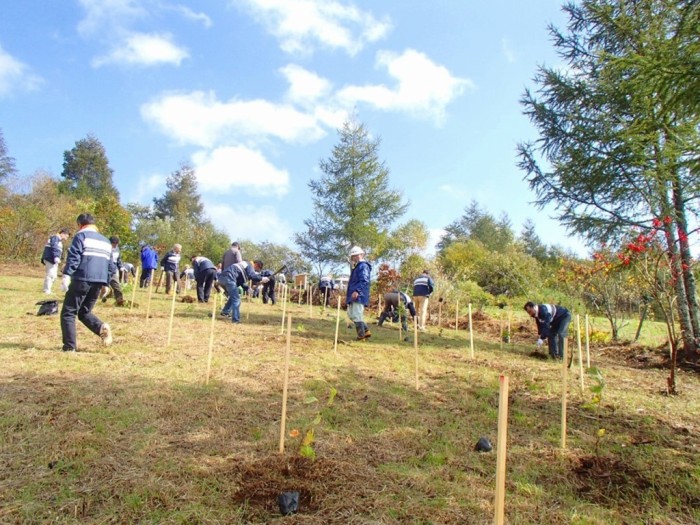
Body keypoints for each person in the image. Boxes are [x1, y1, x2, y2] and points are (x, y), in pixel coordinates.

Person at [60, 213, 115, 352]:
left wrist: (66, 274)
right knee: (84, 311)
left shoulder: (81, 236)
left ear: (80, 225)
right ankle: (101, 328)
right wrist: (106, 283)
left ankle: (69, 347)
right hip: (99, 281)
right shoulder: (105, 241)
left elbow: (74, 257)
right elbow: (110, 265)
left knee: (68, 312)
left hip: (82, 278)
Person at [346, 246, 372, 340]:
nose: (355, 257)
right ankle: (366, 331)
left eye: (356, 255)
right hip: (354, 293)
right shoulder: (357, 267)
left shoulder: (363, 266)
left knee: (356, 314)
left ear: (361, 254)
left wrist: (357, 291)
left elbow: (364, 280)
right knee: (351, 314)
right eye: (353, 256)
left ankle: (361, 336)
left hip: (359, 294)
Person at [41, 228, 70, 294]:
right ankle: (46, 290)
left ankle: (48, 289)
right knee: (51, 275)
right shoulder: (55, 238)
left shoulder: (58, 240)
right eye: (66, 236)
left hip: (52, 260)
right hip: (50, 259)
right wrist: (56, 257)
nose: (66, 238)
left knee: (53, 275)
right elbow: (54, 247)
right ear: (63, 233)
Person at [103, 236, 125, 305]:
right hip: (104, 269)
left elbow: (119, 259)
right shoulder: (105, 248)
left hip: (113, 270)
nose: (115, 245)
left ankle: (119, 301)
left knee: (116, 286)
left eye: (116, 244)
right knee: (102, 286)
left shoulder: (117, 249)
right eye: (114, 244)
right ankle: (102, 297)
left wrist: (120, 266)